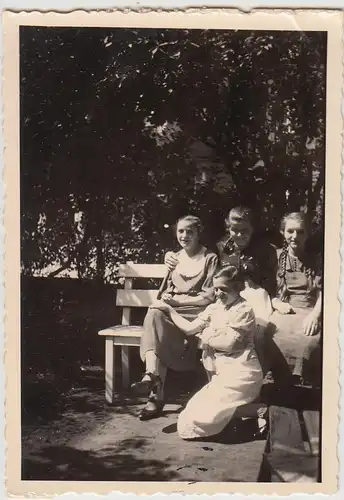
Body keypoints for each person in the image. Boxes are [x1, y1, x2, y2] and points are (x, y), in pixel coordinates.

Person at [151, 265, 263, 440]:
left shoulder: (243, 309)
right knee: (189, 417)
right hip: (223, 372)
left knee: (204, 417)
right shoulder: (215, 308)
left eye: (224, 289)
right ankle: (248, 414)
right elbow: (189, 329)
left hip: (242, 372)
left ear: (238, 288)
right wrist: (169, 310)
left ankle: (260, 411)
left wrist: (205, 337)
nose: (218, 293)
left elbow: (230, 344)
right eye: (216, 288)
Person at [131, 215, 219, 421]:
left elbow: (209, 297)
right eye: (181, 231)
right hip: (172, 312)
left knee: (157, 319)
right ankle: (151, 377)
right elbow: (165, 292)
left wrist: (177, 303)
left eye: (190, 231)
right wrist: (168, 298)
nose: (184, 235)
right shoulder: (175, 258)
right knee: (154, 313)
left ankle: (156, 394)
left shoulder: (209, 258)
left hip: (195, 314)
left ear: (198, 233)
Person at [268, 212, 322, 386]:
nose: (294, 236)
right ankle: (277, 384)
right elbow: (265, 287)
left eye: (300, 232)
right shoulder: (275, 256)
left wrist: (315, 315)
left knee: (309, 342)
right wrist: (275, 303)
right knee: (269, 335)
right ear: (283, 232)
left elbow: (325, 291)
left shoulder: (318, 259)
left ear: (308, 233)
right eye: (290, 231)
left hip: (309, 310)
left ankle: (302, 386)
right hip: (284, 309)